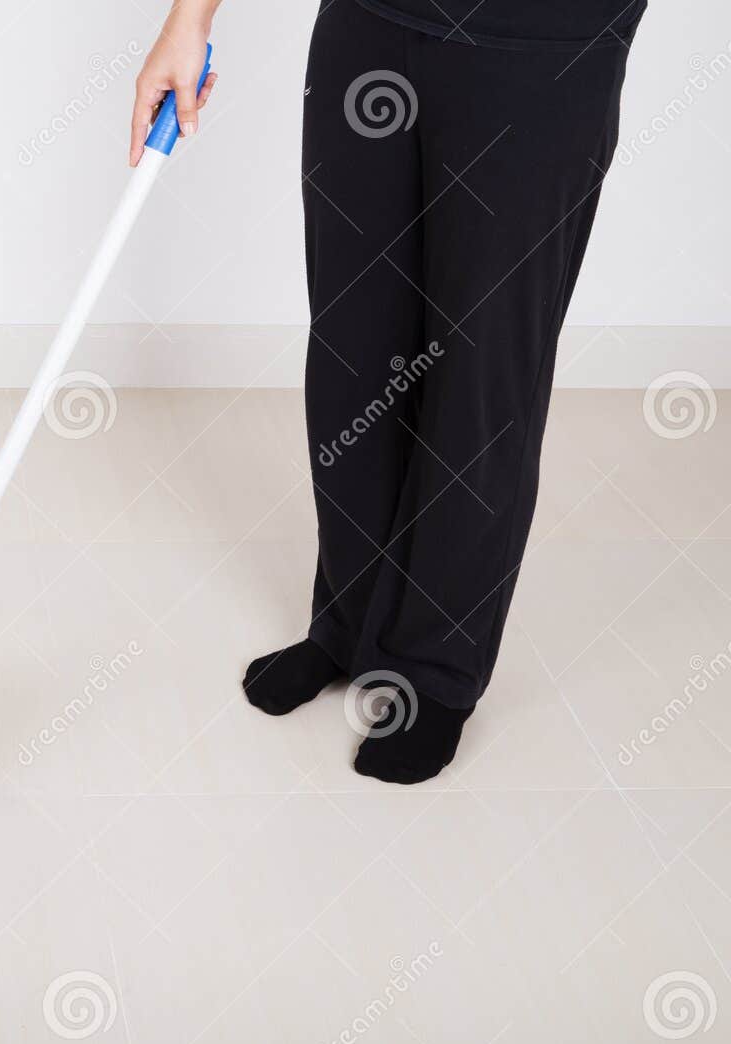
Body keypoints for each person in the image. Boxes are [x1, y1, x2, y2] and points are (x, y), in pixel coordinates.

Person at [133, 0, 646, 782]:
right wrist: (190, 18)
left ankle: (435, 669)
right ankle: (348, 619)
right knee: (354, 341)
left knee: (481, 370)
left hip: (542, 47)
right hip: (370, 26)